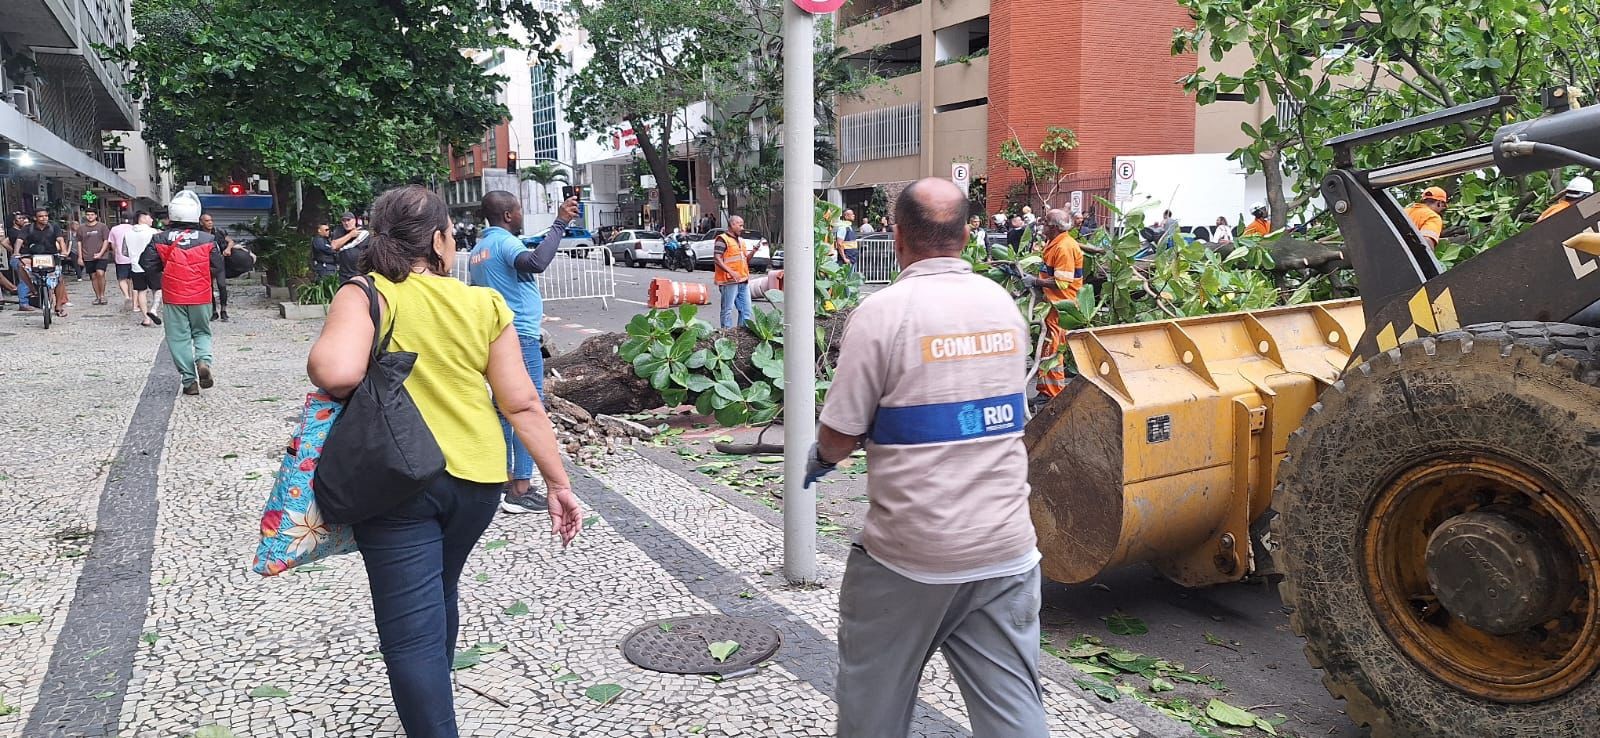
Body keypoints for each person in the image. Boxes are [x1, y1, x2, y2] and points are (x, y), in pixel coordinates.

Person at [307, 185, 581, 738]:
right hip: (476, 481)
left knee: (410, 628)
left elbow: (335, 373)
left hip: (394, 481)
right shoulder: (482, 305)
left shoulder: (366, 294)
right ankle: (435, 696)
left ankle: (432, 718)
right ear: (436, 240)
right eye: (452, 235)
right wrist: (558, 483)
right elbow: (522, 402)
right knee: (440, 587)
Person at [807, 177, 1047, 738]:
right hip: (1007, 547)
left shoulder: (883, 313)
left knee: (873, 704)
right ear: (967, 234)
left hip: (910, 557)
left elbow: (839, 437)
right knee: (1014, 710)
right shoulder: (1003, 306)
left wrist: (820, 455)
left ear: (896, 237)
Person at [469, 189, 579, 515]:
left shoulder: (479, 250)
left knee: (503, 409)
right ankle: (521, 487)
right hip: (520, 337)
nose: (520, 216)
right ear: (507, 215)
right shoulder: (504, 242)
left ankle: (502, 479)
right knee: (528, 410)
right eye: (518, 211)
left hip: (494, 336)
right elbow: (535, 262)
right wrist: (560, 223)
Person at [140, 192, 222, 395]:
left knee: (178, 338)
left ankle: (189, 381)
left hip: (173, 296)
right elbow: (218, 266)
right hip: (201, 296)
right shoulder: (208, 239)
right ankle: (203, 361)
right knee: (202, 332)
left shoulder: (159, 238)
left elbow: (146, 264)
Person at [1030, 209, 1090, 401]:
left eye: (1045, 223)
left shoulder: (1063, 247)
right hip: (1054, 304)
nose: (1042, 225)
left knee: (1052, 350)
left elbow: (1062, 282)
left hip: (1061, 306)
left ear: (1054, 227)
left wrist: (1035, 282)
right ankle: (1045, 390)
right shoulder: (1056, 243)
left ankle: (1052, 394)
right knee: (1048, 347)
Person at [18, 209, 70, 316]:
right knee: (21, 267)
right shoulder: (28, 228)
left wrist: (64, 251)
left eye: (46, 216)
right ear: (35, 218)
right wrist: (15, 252)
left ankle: (59, 306)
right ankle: (33, 290)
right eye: (41, 216)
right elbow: (19, 240)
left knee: (59, 278)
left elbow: (60, 239)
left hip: (51, 256)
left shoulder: (53, 227)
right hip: (33, 256)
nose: (44, 218)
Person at [713, 215, 753, 328]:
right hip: (728, 281)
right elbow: (717, 258)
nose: (742, 228)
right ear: (732, 225)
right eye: (740, 225)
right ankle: (726, 334)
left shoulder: (741, 241)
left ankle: (741, 334)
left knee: (746, 310)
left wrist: (753, 251)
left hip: (742, 280)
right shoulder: (722, 239)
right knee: (727, 310)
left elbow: (745, 260)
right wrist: (731, 272)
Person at [124, 211, 162, 326]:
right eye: (150, 218)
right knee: (158, 289)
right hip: (152, 265)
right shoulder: (153, 232)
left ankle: (146, 318)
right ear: (144, 218)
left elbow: (124, 251)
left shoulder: (128, 233)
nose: (152, 220)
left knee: (141, 291)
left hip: (136, 266)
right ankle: (154, 309)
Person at [199, 213, 234, 321]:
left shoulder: (219, 232)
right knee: (209, 288)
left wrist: (228, 249)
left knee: (222, 286)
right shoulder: (199, 234)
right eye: (207, 221)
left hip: (219, 263)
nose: (210, 222)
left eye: (211, 220)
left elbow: (231, 241)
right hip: (205, 264)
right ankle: (213, 311)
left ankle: (223, 310)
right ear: (201, 223)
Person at [77, 211, 112, 305]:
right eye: (88, 215)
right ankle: (98, 296)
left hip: (102, 255)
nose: (90, 216)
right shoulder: (81, 228)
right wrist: (80, 257)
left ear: (96, 215)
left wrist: (101, 253)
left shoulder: (102, 227)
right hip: (88, 256)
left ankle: (103, 295)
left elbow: (106, 241)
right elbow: (79, 242)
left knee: (100, 273)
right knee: (93, 276)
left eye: (92, 214)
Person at [331, 211, 371, 281]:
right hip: (344, 274)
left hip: (360, 273)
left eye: (348, 220)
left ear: (354, 220)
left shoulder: (364, 233)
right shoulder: (339, 232)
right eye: (344, 221)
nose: (346, 223)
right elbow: (334, 246)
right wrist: (350, 235)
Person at [4, 211, 30, 311]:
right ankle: (23, 303)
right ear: (14, 221)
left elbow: (4, 242)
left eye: (23, 218)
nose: (23, 220)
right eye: (20, 219)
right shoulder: (15, 232)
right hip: (20, 258)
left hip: (23, 257)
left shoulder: (18, 231)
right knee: (24, 279)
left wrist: (13, 250)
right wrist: (16, 252)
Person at [108, 214, 135, 308]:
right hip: (134, 258)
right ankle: (133, 297)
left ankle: (127, 296)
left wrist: (115, 255)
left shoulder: (114, 229)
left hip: (120, 258)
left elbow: (113, 245)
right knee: (132, 279)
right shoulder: (134, 228)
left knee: (122, 279)